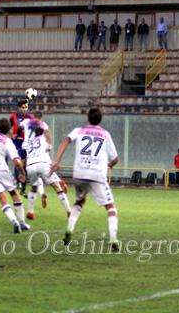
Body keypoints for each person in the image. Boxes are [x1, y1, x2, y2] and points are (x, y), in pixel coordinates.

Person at [50, 107, 120, 252]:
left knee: (79, 201)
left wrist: (57, 160)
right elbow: (115, 159)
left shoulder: (78, 130)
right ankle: (113, 238)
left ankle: (69, 230)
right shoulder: (105, 134)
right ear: (100, 120)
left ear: (87, 118)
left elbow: (65, 140)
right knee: (110, 207)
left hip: (80, 173)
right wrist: (109, 165)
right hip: (97, 174)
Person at [21, 114, 71, 219]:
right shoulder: (44, 140)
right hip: (43, 164)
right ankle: (69, 211)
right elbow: (48, 147)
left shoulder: (28, 143)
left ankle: (30, 212)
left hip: (30, 166)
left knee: (33, 187)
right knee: (56, 186)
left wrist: (23, 170)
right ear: (43, 132)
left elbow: (20, 126)